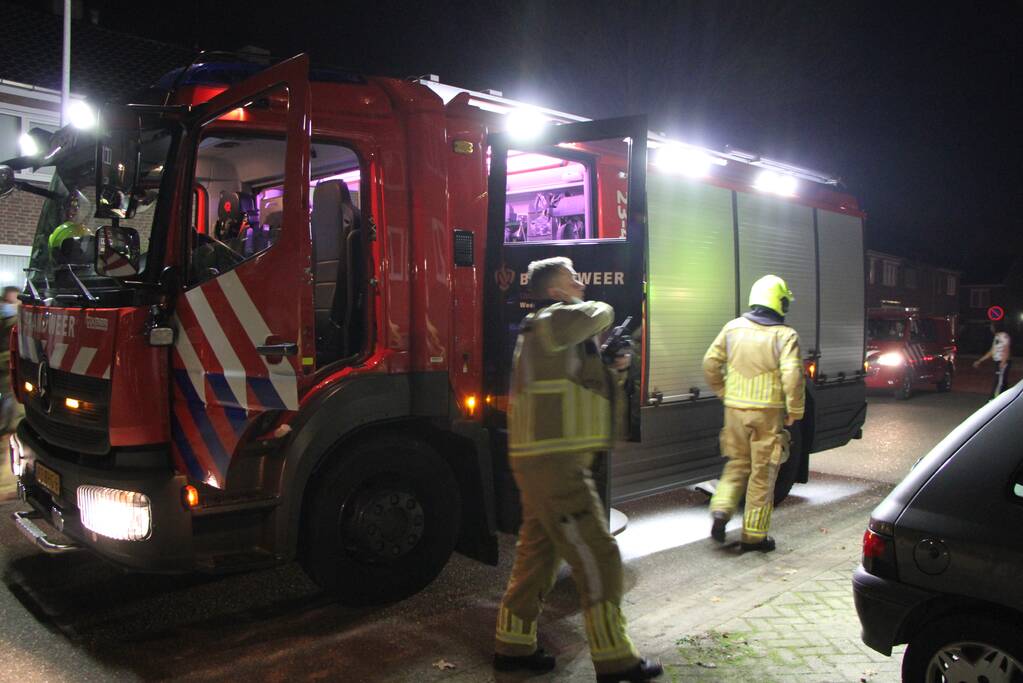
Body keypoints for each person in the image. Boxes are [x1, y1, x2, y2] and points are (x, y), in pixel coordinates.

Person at [494, 257, 661, 682]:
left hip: (546, 459)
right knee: (598, 553)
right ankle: (615, 658)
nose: (582, 282)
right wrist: (603, 310)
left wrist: (613, 370)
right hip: (556, 462)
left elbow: (585, 389)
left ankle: (513, 646)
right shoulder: (552, 321)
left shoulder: (553, 333)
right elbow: (600, 311)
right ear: (554, 292)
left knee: (539, 553)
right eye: (573, 278)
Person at [703, 274, 805, 553]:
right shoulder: (785, 335)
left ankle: (721, 508)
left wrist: (723, 391)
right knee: (762, 474)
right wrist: (795, 409)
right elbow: (792, 376)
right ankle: (754, 537)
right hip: (768, 414)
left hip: (734, 411)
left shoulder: (733, 328)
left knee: (736, 463)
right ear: (779, 302)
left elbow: (710, 363)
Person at [973, 322, 1012, 398]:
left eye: (991, 326)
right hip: (998, 361)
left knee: (999, 382)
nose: (990, 328)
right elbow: (991, 351)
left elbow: (1006, 349)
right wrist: (980, 361)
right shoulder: (997, 337)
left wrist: (1003, 362)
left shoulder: (1003, 336)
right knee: (1002, 382)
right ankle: (1005, 399)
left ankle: (993, 399)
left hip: (1002, 362)